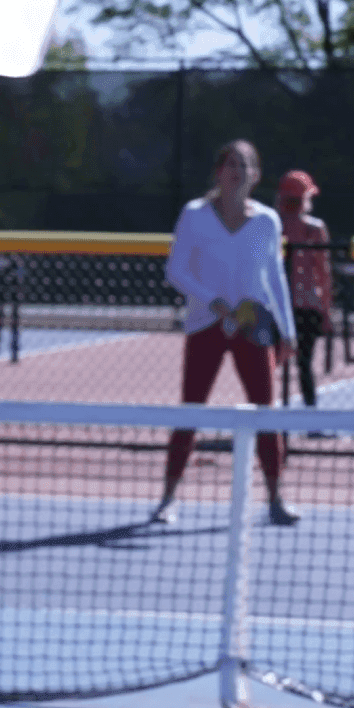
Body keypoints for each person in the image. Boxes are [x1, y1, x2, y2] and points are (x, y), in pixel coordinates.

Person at [152, 140, 300, 528]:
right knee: (191, 410)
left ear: (255, 175)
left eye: (245, 165)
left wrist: (287, 330)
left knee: (266, 414)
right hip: (207, 324)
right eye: (231, 164)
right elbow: (176, 271)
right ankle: (167, 499)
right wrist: (213, 301)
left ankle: (275, 498)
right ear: (218, 171)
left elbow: (275, 277)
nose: (237, 171)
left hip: (254, 327)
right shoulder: (195, 215)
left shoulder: (267, 221)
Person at [275, 170, 334, 432]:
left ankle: (270, 422)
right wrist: (326, 309)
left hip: (279, 305)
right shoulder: (314, 229)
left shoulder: (273, 224)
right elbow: (324, 274)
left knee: (274, 363)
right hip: (307, 306)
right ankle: (311, 421)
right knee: (304, 365)